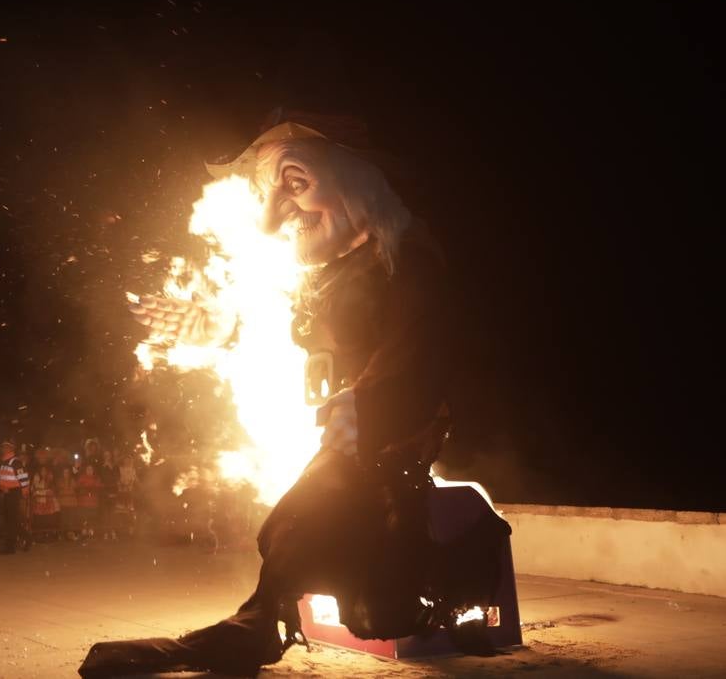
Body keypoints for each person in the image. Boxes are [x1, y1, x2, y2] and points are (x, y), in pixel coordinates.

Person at [81, 110, 511, 677]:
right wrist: (223, 330)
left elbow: (420, 352)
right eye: (270, 191)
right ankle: (257, 625)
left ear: (355, 178)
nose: (272, 214)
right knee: (305, 542)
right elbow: (299, 339)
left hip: (393, 446)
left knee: (313, 543)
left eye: (294, 184)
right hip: (347, 443)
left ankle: (447, 561)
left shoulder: (406, 262)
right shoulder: (327, 274)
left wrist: (369, 404)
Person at [0, 441, 29, 554]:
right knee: (10, 520)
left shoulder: (15, 462)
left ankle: (10, 547)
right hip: (7, 493)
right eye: (2, 447)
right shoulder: (5, 462)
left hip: (13, 493)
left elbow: (23, 478)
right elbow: (2, 478)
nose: (3, 449)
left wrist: (24, 493)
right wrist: (2, 487)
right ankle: (26, 537)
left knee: (11, 521)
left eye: (5, 447)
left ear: (10, 449)